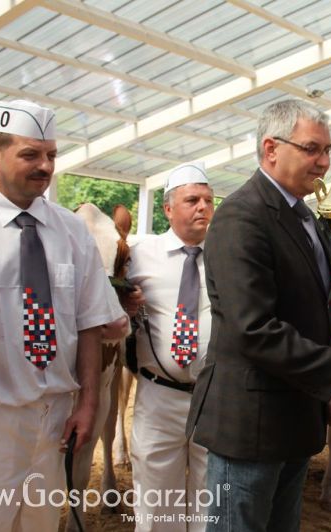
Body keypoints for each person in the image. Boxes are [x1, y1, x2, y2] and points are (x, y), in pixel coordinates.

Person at [188, 99, 331, 531]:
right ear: (271, 148)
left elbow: (307, 315)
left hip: (292, 422)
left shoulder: (306, 219)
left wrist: (323, 392)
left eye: (328, 151)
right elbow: (253, 329)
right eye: (312, 149)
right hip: (249, 429)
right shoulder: (242, 217)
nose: (324, 162)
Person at [0, 100, 123, 531]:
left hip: (56, 421)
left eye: (51, 155)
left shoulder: (73, 230)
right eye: (30, 155)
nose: (45, 166)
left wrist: (89, 402)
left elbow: (91, 322)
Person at [127, 162, 214, 530]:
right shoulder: (138, 255)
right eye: (192, 199)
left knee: (211, 504)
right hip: (158, 398)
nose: (203, 207)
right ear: (167, 208)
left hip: (215, 399)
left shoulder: (230, 256)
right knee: (157, 505)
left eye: (209, 200)